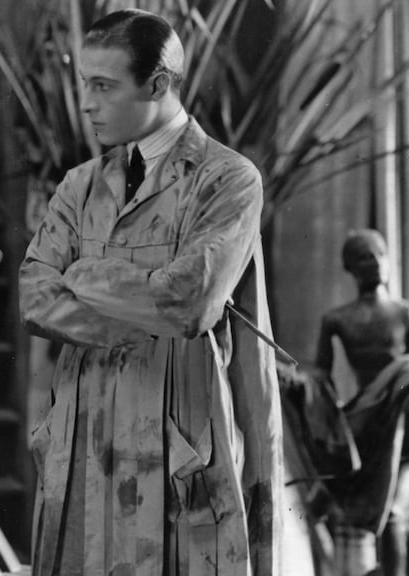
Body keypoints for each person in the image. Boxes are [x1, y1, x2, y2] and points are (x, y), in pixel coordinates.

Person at [19, 9, 283, 576]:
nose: (86, 103)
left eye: (103, 86)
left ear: (158, 84)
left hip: (178, 439)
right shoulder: (79, 184)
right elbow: (35, 297)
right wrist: (138, 314)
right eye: (83, 84)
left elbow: (189, 302)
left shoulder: (227, 179)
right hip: (83, 439)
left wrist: (85, 275)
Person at [312, 229, 409, 576]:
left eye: (379, 253)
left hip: (404, 427)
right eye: (363, 255)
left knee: (392, 513)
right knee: (321, 503)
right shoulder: (336, 319)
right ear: (349, 267)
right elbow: (320, 376)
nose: (374, 261)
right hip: (361, 426)